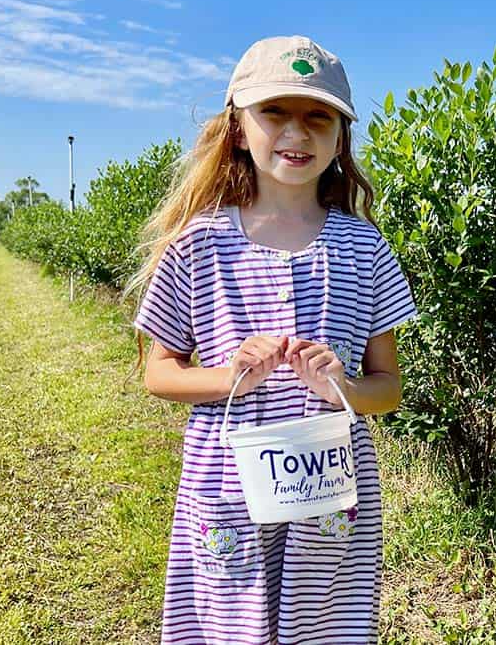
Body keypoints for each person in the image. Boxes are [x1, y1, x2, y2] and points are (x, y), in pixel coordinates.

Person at [127, 35, 417, 645]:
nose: (298, 131)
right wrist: (227, 376)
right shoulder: (197, 244)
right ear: (237, 128)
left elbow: (387, 389)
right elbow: (159, 371)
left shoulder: (365, 249)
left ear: (340, 139)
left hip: (331, 491)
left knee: (325, 624)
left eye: (319, 117)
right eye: (275, 113)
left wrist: (343, 385)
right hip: (228, 486)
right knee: (229, 623)